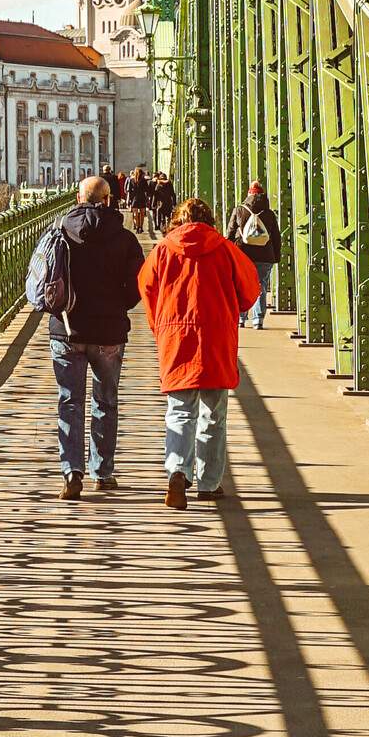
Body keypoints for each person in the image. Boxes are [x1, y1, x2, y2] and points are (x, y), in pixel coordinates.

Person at [139, 197, 260, 508]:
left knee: (180, 410)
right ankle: (208, 483)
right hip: (217, 336)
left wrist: (160, 326)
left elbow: (147, 289)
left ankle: (177, 471)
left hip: (176, 337)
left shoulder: (163, 249)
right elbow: (249, 289)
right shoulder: (225, 249)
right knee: (214, 413)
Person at [48, 176, 144, 500]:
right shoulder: (126, 239)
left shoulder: (60, 232)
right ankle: (102, 472)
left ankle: (71, 473)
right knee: (105, 401)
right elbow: (136, 289)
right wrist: (118, 306)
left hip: (66, 330)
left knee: (69, 402)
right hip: (109, 333)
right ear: (108, 200)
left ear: (78, 198)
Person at [225, 180, 283, 330]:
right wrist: (276, 256)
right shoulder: (269, 214)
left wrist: (227, 254)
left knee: (241, 285)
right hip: (265, 255)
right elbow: (276, 237)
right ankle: (258, 320)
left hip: (243, 254)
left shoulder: (239, 210)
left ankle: (241, 318)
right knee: (260, 286)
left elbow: (230, 233)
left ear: (249, 194)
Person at [125, 166, 152, 234]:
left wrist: (129, 200)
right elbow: (147, 190)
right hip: (142, 198)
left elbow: (129, 191)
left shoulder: (131, 180)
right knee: (142, 214)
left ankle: (137, 227)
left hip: (134, 199)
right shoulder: (143, 180)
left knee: (135, 214)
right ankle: (140, 227)